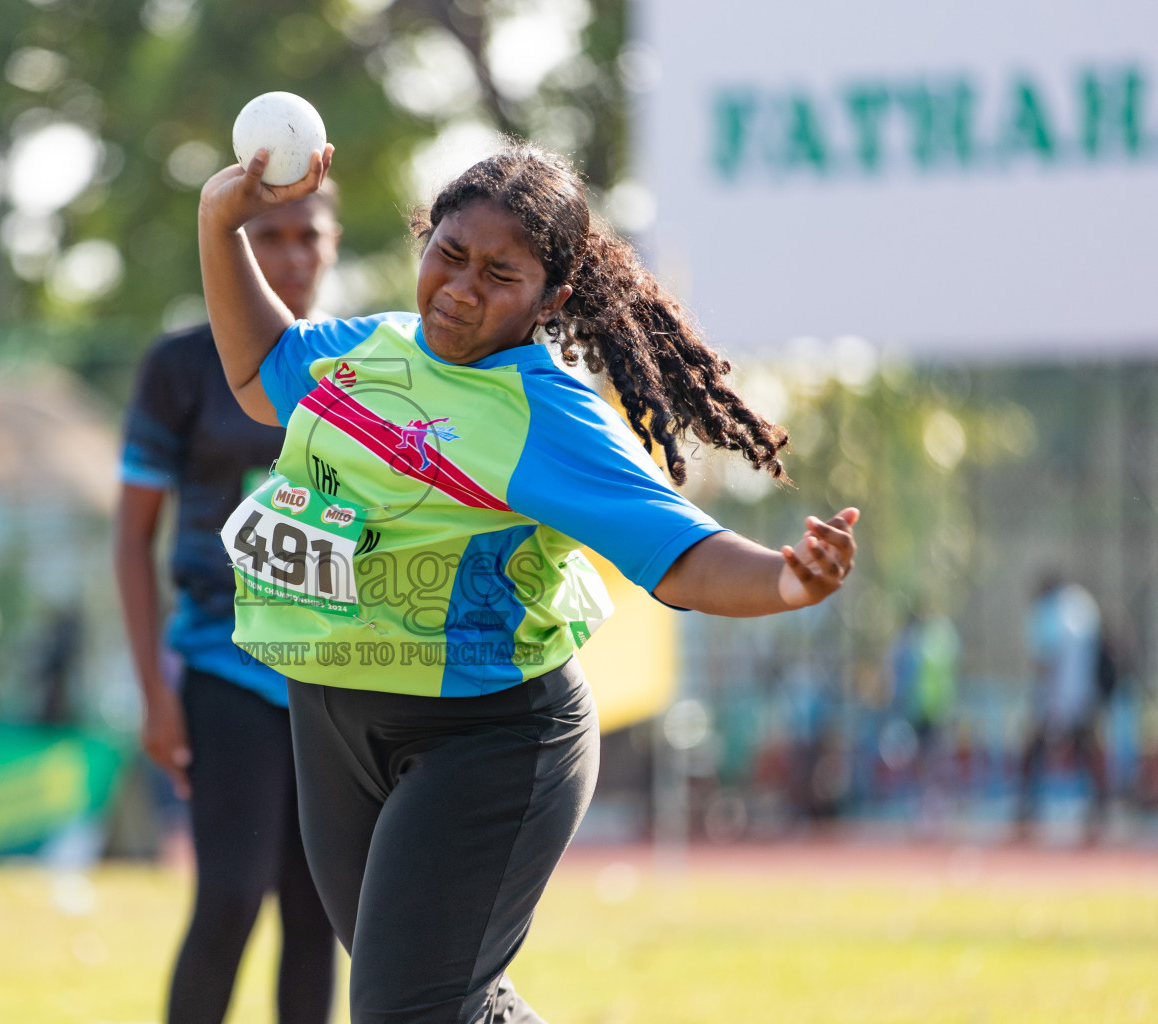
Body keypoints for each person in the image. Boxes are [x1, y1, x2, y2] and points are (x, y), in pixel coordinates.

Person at [198, 142, 859, 1024]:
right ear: (424, 240)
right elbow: (256, 371)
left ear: (551, 301)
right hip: (334, 713)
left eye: (499, 274)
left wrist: (786, 580)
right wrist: (218, 222)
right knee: (446, 1003)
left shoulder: (546, 413)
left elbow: (683, 555)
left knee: (407, 1010)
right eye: (451, 254)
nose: (462, 288)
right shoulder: (362, 349)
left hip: (492, 738)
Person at [114, 185, 341, 1024]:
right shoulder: (180, 368)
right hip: (222, 663)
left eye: (306, 235)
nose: (289, 255)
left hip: (337, 676)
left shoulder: (363, 365)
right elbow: (131, 538)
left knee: (320, 913)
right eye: (267, 236)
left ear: (333, 244)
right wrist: (154, 693)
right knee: (233, 895)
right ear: (233, 249)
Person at [1016, 572, 1108, 839]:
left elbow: (1047, 659)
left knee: (1034, 747)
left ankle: (1027, 804)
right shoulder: (1083, 605)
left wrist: (1043, 698)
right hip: (1084, 694)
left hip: (1057, 695)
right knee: (1086, 750)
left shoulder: (1049, 611)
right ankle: (1099, 806)